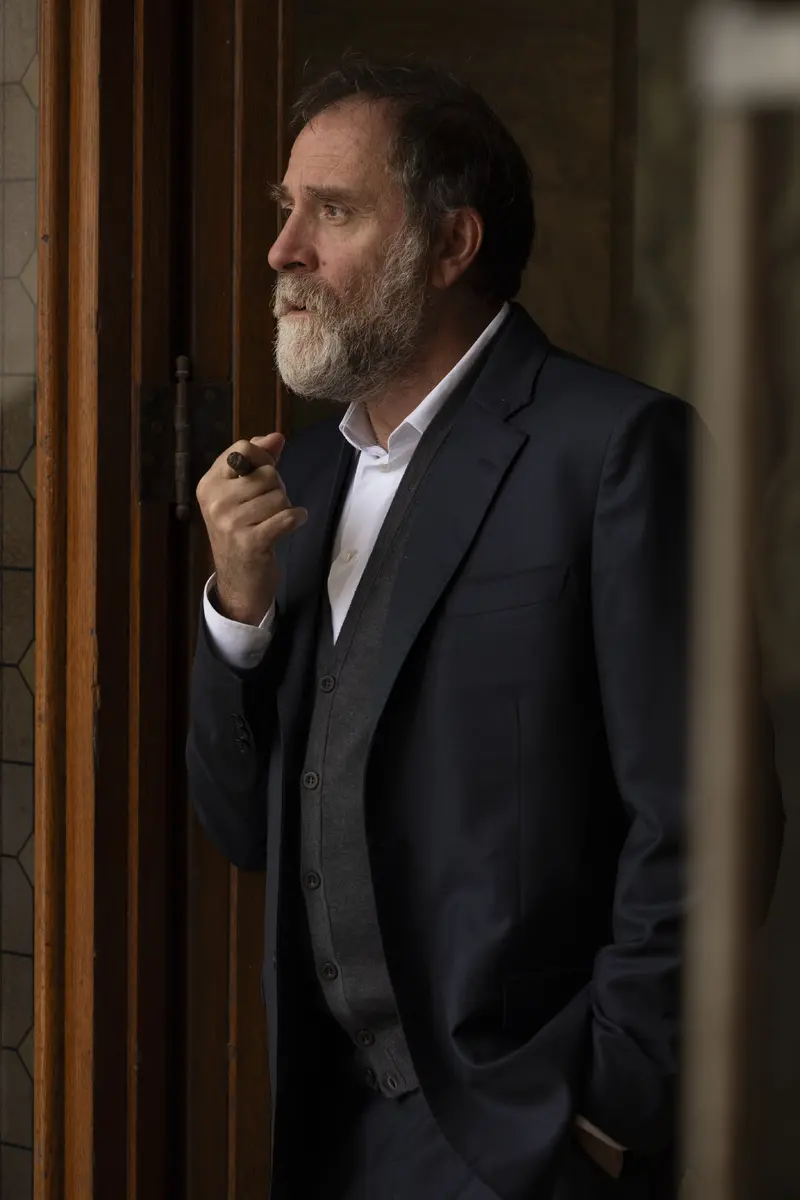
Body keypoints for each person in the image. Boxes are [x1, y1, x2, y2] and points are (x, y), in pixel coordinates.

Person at [187, 60, 783, 1200]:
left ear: (450, 245)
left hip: (533, 1133)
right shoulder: (300, 479)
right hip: (327, 1135)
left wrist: (605, 1109)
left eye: (333, 211)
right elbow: (242, 826)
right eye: (285, 209)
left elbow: (712, 822)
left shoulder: (614, 452)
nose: (281, 250)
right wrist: (239, 614)